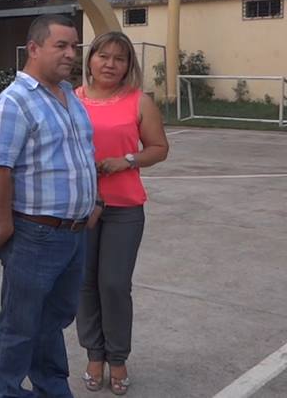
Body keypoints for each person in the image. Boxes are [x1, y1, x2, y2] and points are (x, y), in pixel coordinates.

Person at [0, 14, 101, 398]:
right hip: (34, 233)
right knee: (20, 324)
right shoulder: (14, 102)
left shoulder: (71, 96)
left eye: (74, 46)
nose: (72, 54)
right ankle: (10, 389)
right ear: (33, 49)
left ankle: (52, 387)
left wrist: (94, 201)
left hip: (74, 233)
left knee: (54, 319)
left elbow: (84, 153)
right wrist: (2, 225)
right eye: (61, 46)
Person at [75, 32, 169, 395]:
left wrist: (126, 160)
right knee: (84, 285)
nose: (110, 64)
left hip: (124, 208)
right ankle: (93, 355)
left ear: (129, 65)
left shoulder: (138, 101)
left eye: (119, 58)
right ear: (91, 60)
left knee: (113, 285)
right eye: (103, 56)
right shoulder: (72, 99)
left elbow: (159, 148)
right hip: (81, 206)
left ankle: (118, 357)